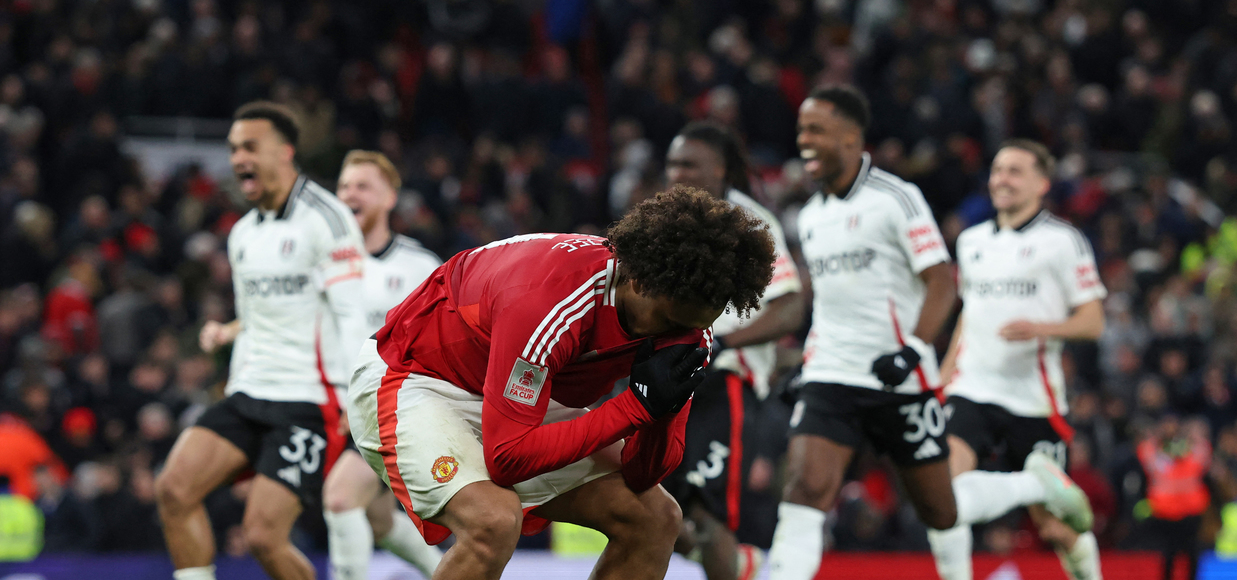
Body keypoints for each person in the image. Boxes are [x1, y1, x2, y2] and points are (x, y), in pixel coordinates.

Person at [348, 186, 777, 580]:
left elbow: (645, 473)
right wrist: (635, 409)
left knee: (655, 517)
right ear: (638, 280)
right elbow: (507, 458)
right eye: (669, 322)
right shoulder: (551, 296)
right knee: (493, 520)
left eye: (697, 326)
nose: (674, 338)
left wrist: (660, 415)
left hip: (507, 391)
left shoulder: (684, 322)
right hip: (413, 377)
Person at [154, 101, 369, 580]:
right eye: (232, 150)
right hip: (249, 393)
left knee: (262, 537)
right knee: (174, 489)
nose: (237, 159)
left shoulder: (326, 220)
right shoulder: (243, 234)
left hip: (310, 403)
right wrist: (228, 337)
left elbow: (351, 316)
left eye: (250, 147)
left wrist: (362, 403)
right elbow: (257, 318)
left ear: (285, 153)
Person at [769, 86, 961, 580]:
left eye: (816, 130)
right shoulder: (810, 217)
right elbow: (831, 303)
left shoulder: (896, 198)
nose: (804, 141)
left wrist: (913, 351)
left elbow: (942, 281)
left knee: (940, 512)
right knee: (806, 488)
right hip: (833, 371)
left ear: (852, 138)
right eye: (800, 131)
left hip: (900, 376)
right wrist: (809, 363)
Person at [930, 140, 1106, 580]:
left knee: (1055, 528)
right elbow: (970, 315)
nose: (1001, 179)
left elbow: (1093, 321)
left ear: (1042, 184)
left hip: (1034, 400)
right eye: (997, 170)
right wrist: (944, 374)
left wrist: (1042, 328)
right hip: (972, 389)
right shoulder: (971, 242)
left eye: (1014, 171)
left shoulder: (1062, 241)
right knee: (943, 498)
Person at [661, 122, 804, 580]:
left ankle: (732, 564)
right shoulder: (664, 221)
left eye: (688, 164)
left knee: (707, 515)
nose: (675, 173)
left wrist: (722, 341)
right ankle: (742, 568)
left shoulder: (750, 222)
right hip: (664, 375)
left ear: (719, 169)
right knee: (651, 512)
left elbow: (790, 305)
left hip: (724, 381)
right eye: (671, 164)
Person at [322, 150, 444, 580]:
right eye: (344, 186)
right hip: (332, 409)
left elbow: (440, 349)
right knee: (377, 519)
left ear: (390, 197)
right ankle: (448, 572)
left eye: (362, 186)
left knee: (340, 500)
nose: (349, 194)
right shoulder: (324, 264)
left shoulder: (420, 267)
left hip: (390, 409)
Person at [1137, 414, 1212, 580]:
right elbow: (1146, 454)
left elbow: (1203, 454)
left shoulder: (1193, 450)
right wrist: (1158, 440)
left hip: (1191, 510)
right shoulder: (1155, 451)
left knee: (1193, 552)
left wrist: (1192, 438)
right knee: (1169, 553)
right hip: (1165, 511)